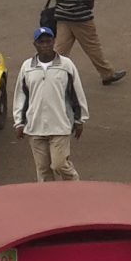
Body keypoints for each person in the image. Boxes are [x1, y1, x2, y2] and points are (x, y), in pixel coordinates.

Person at [13, 27, 88, 181]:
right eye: (41, 42)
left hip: (60, 125)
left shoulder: (66, 65)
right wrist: (19, 123)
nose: (45, 45)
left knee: (59, 164)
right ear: (35, 44)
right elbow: (21, 96)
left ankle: (76, 188)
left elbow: (76, 93)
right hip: (35, 127)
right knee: (43, 170)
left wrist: (80, 120)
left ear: (54, 42)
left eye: (48, 41)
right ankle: (48, 201)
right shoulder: (27, 67)